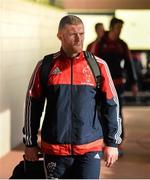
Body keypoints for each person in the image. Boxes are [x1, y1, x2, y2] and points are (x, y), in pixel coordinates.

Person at [23, 15, 122, 179]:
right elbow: (32, 105)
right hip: (54, 150)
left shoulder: (98, 66)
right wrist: (30, 143)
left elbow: (112, 105)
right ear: (59, 36)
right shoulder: (45, 66)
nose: (78, 39)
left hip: (89, 150)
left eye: (81, 34)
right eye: (72, 34)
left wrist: (112, 143)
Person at [96, 17, 138, 154]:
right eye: (118, 28)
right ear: (112, 28)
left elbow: (129, 64)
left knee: (116, 112)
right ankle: (102, 141)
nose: (120, 31)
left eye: (121, 28)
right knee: (101, 112)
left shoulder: (122, 45)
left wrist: (133, 83)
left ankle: (116, 142)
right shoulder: (101, 43)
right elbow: (93, 63)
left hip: (118, 84)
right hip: (101, 84)